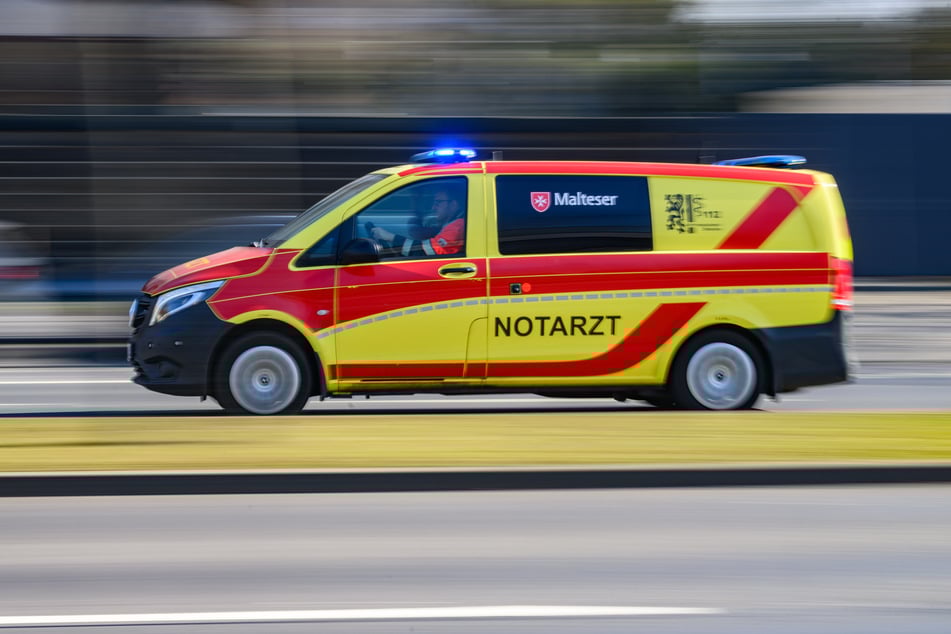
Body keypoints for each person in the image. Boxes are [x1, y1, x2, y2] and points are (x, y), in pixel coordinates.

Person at [370, 185, 465, 257]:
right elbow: (417, 233)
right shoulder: (450, 223)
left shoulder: (457, 227)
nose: (433, 207)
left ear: (453, 204)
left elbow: (424, 251)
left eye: (438, 202)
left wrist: (391, 237)